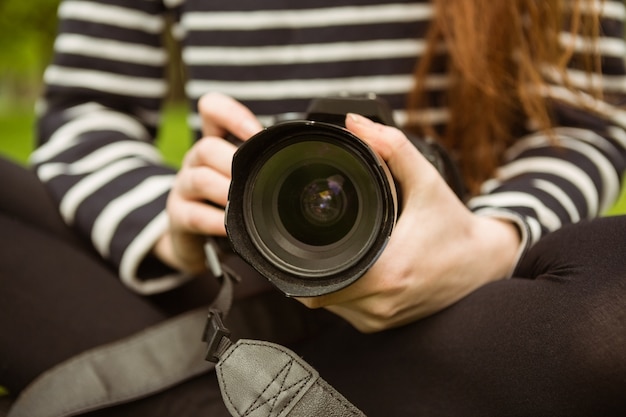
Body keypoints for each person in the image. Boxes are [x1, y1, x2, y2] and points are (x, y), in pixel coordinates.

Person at [1, 0, 626, 415]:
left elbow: (582, 123)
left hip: (458, 303)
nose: (326, 198)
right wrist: (166, 226)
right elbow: (87, 112)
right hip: (228, 280)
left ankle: (222, 394)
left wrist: (484, 243)